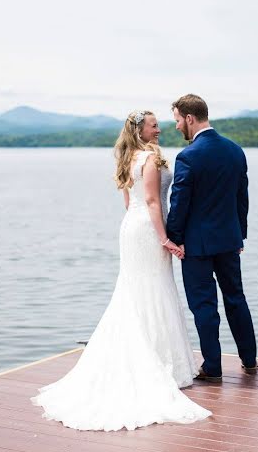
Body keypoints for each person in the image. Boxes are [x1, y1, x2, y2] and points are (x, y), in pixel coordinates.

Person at [31, 110, 211, 431]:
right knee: (154, 290)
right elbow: (155, 202)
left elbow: (132, 204)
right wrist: (166, 239)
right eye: (154, 126)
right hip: (149, 229)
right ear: (140, 130)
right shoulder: (151, 160)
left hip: (131, 227)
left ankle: (149, 356)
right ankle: (159, 364)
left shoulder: (127, 159)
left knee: (135, 291)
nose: (159, 129)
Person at [166, 94, 258, 382]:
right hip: (229, 240)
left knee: (204, 305)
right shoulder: (235, 150)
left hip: (196, 245)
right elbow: (242, 198)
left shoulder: (188, 157)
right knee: (236, 298)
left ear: (190, 118)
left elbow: (179, 203)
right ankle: (250, 360)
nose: (178, 126)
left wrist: (175, 238)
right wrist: (239, 235)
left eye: (178, 120)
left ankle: (213, 368)